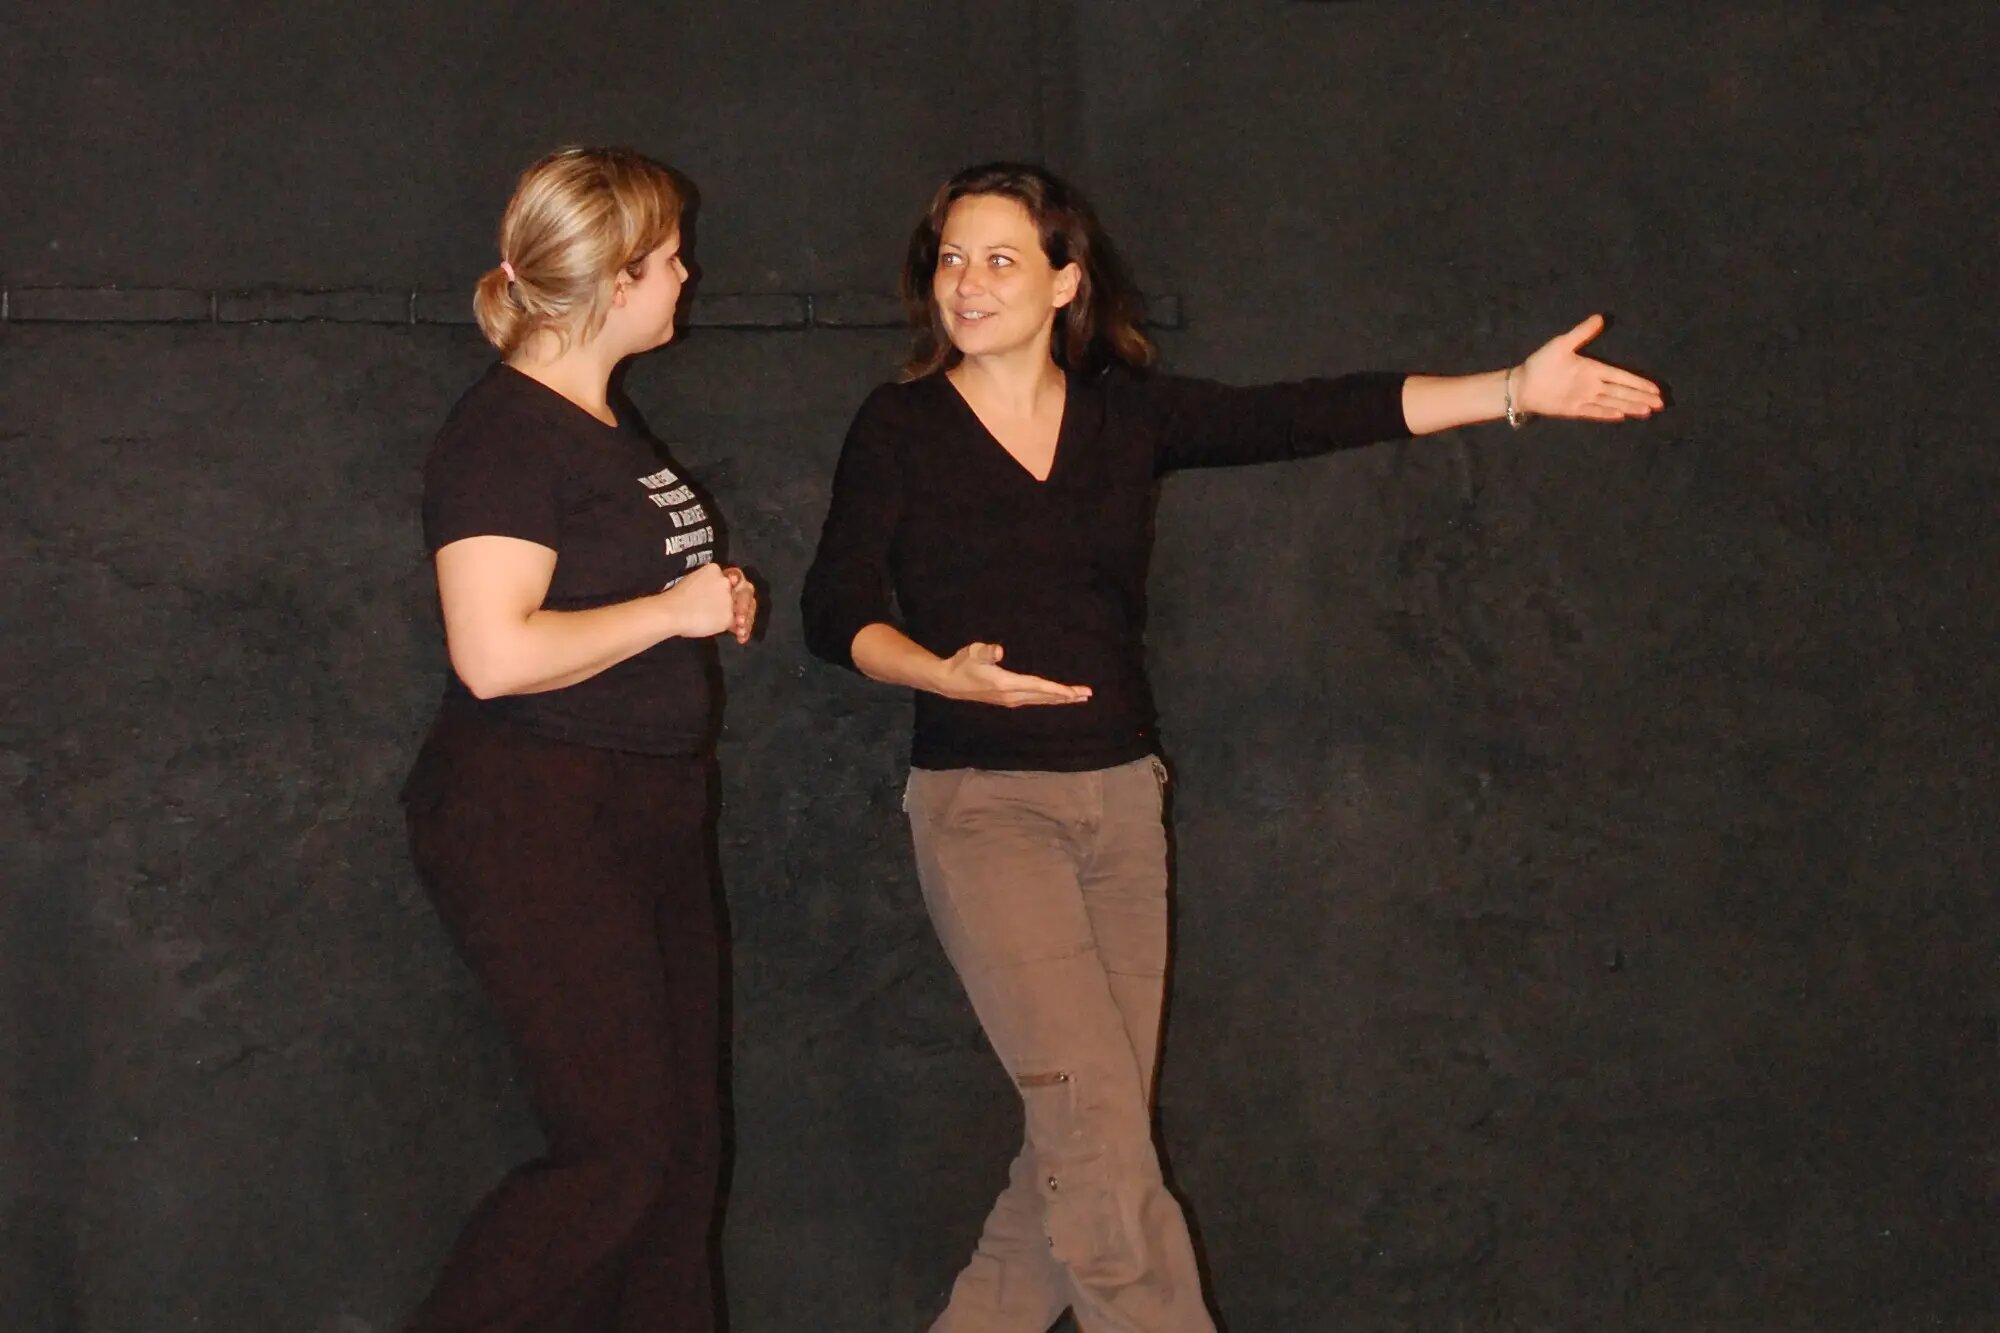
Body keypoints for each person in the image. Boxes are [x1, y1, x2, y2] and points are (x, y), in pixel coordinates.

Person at [800, 161, 1662, 1333]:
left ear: (1064, 281)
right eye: (951, 258)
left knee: (1076, 1147)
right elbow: (833, 610)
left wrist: (1509, 388)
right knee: (1096, 1146)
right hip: (984, 808)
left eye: (1000, 259)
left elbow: (1303, 414)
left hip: (1118, 809)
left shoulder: (1124, 416)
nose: (967, 283)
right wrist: (938, 671)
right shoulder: (899, 427)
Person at [399, 146, 755, 1333]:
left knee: (682, 1158)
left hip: (642, 807)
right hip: (533, 812)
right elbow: (491, 655)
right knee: (619, 1154)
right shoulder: (505, 434)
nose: (686, 276)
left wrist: (696, 603)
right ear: (615, 279)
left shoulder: (604, 425)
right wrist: (669, 612)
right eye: (670, 259)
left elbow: (613, 595)